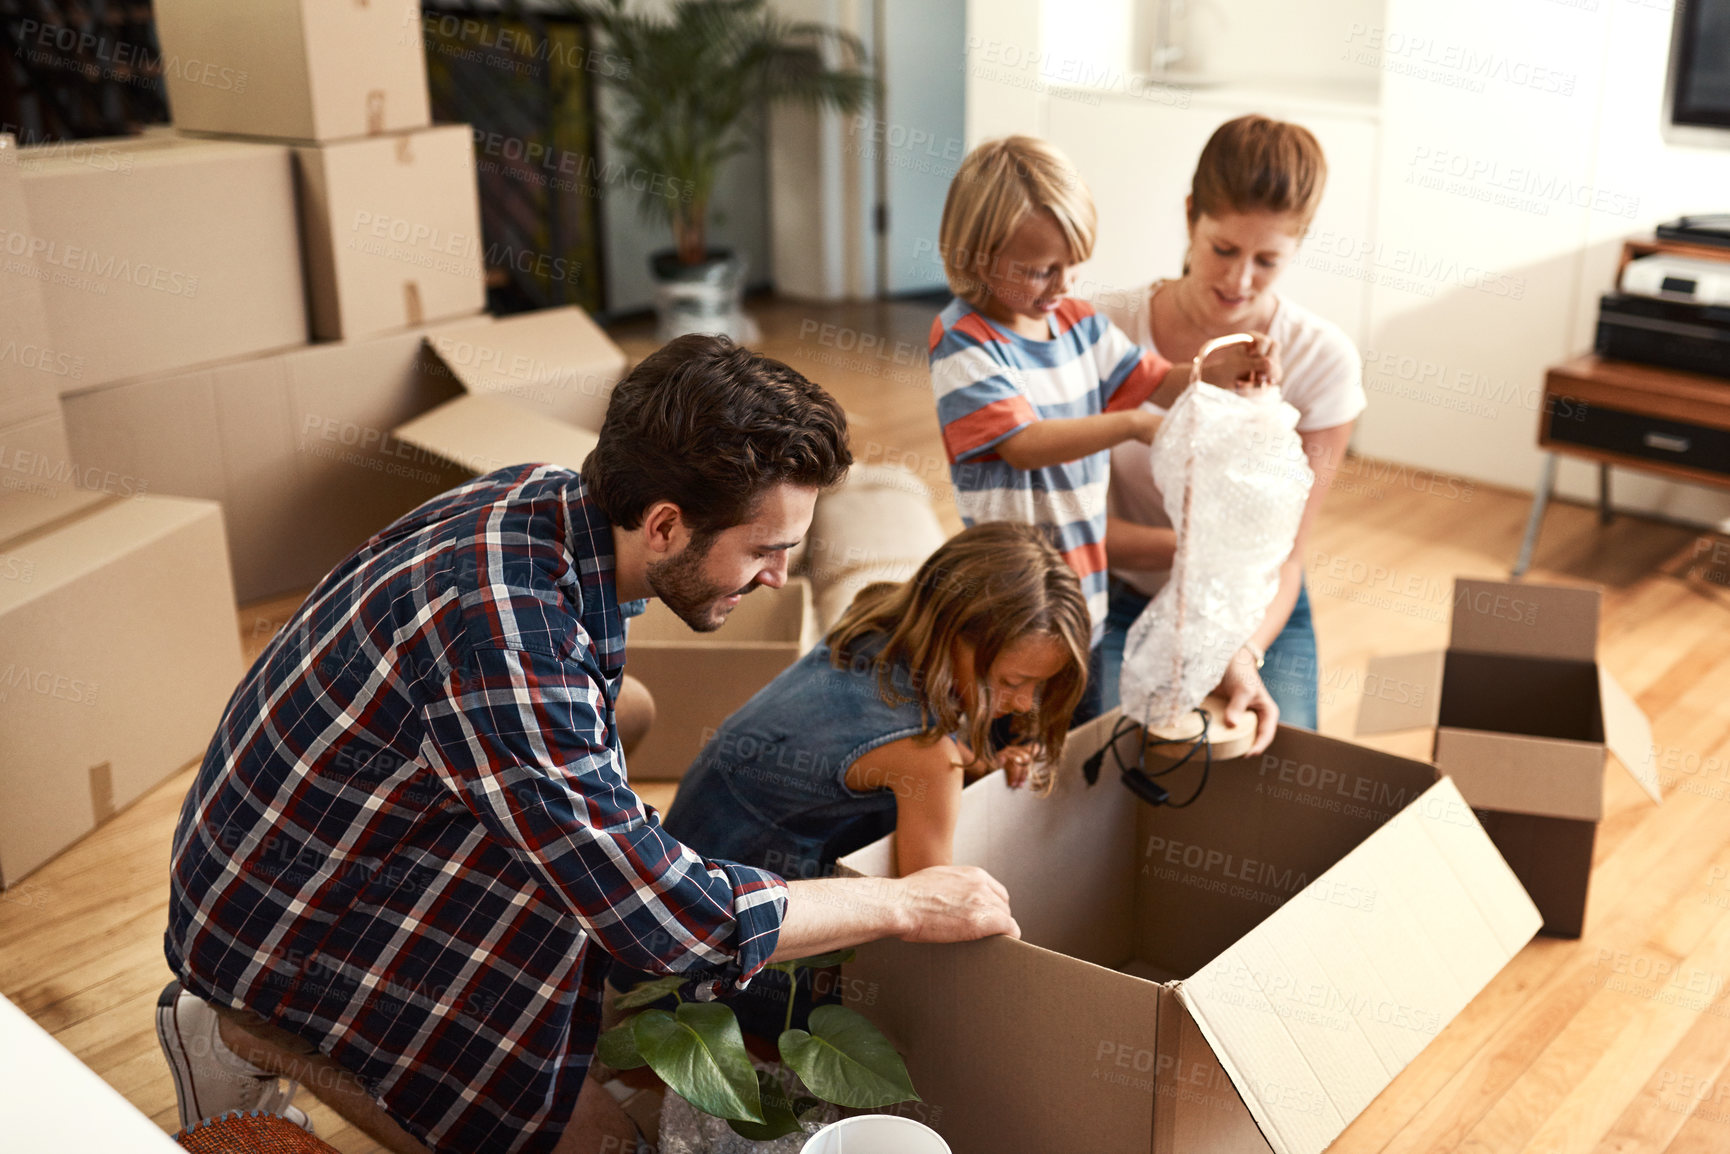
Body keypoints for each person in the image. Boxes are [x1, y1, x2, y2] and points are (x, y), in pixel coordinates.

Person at [154, 334, 1021, 1154]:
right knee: (594, 1141)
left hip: (313, 825)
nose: (779, 578)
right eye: (763, 550)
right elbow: (675, 923)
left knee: (628, 716)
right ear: (667, 526)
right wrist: (911, 902)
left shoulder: (548, 500)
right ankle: (243, 1028)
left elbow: (582, 750)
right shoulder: (505, 641)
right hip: (273, 921)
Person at [930, 134, 1277, 740]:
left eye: (1072, 265)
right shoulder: (963, 339)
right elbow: (1022, 442)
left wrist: (1214, 369)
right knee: (1010, 742)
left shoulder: (1078, 323)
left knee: (1077, 738)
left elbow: (1153, 381)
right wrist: (1134, 425)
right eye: (1040, 270)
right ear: (978, 257)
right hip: (1008, 606)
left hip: (1082, 598)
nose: (1061, 284)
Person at [1098, 114, 1367, 732]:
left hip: (1258, 605)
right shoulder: (1106, 331)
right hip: (1120, 596)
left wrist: (1239, 652)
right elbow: (1074, 530)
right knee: (1115, 765)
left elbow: (1288, 554)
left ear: (1298, 247)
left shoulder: (1321, 358)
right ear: (1192, 215)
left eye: (1268, 260)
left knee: (1274, 771)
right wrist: (1196, 553)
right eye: (1223, 249)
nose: (1238, 280)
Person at [664, 521, 1092, 883]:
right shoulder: (926, 754)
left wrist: (985, 767)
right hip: (726, 927)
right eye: (1014, 681)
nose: (1024, 704)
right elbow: (930, 906)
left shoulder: (874, 620)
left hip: (678, 860)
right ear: (953, 635)